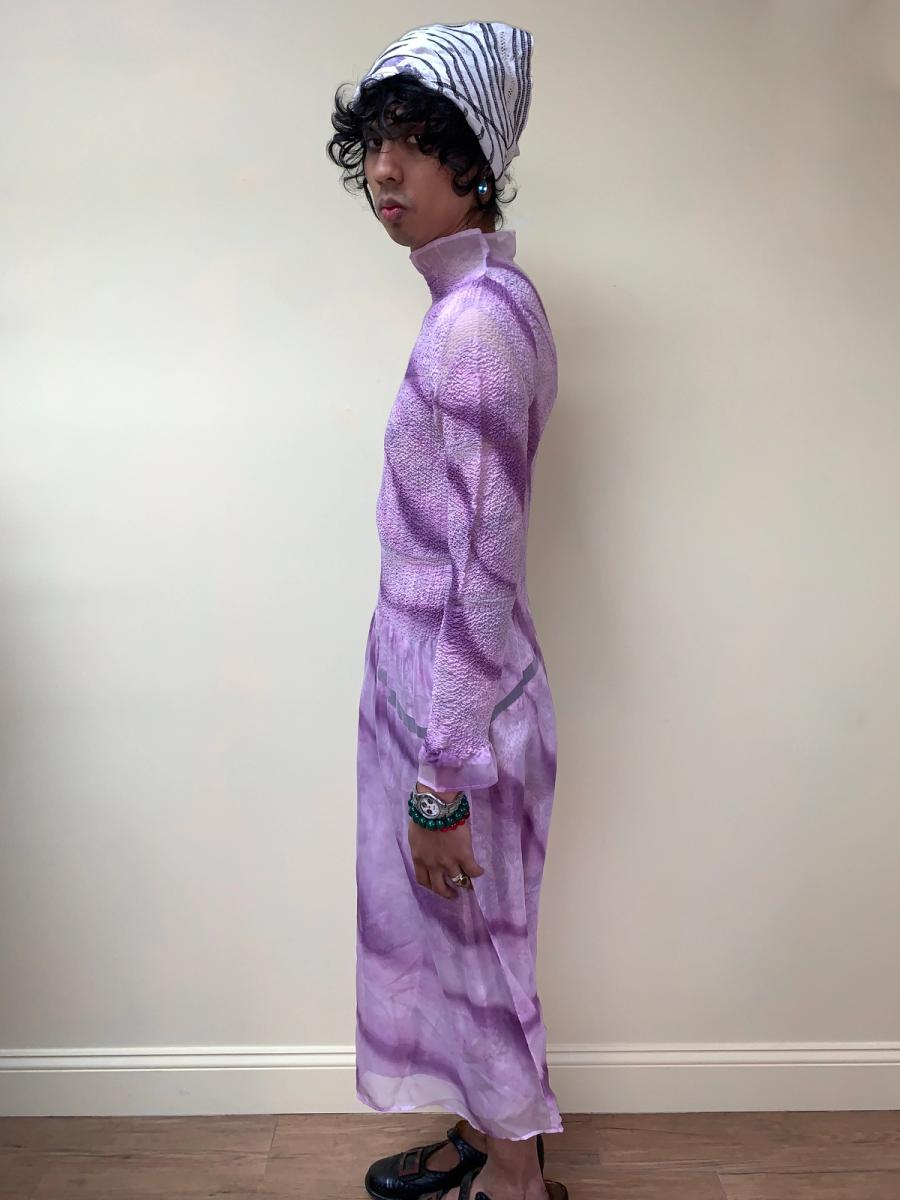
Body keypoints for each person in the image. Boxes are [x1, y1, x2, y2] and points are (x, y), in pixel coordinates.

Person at [327, 21, 567, 1200]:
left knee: (479, 959)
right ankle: (485, 1137)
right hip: (435, 692)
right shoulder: (482, 299)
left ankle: (516, 1183)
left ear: (475, 160)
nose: (385, 169)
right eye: (374, 142)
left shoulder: (474, 325)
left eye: (415, 142)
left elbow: (483, 567)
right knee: (457, 943)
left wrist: (441, 779)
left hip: (454, 714)